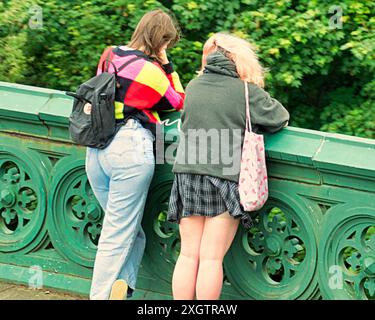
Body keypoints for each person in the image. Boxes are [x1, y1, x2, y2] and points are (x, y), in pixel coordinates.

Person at [167, 32, 290, 300]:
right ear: (241, 62)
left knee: (188, 254)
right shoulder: (246, 91)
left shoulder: (193, 86)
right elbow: (280, 117)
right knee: (211, 259)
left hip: (186, 175)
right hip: (223, 178)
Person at [86, 9, 184, 300]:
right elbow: (178, 101)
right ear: (161, 40)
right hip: (130, 149)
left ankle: (122, 291)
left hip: (96, 148)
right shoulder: (151, 73)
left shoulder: (109, 55)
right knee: (117, 236)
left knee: (130, 232)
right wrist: (167, 65)